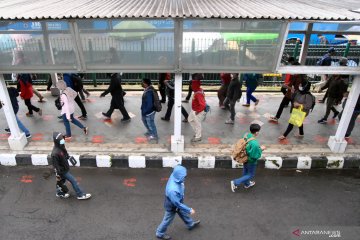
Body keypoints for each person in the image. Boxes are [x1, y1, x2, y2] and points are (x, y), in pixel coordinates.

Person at [156, 165, 200, 240]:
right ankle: (160, 233)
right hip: (172, 206)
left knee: (182, 212)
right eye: (183, 177)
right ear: (179, 176)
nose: (185, 178)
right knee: (167, 220)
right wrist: (189, 210)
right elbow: (177, 204)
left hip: (177, 202)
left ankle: (190, 224)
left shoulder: (174, 175)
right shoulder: (172, 190)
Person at [51, 131, 91, 200]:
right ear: (57, 141)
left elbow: (65, 152)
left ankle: (59, 193)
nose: (63, 140)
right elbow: (56, 166)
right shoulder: (54, 154)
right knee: (73, 181)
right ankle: (80, 195)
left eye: (63, 139)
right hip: (62, 171)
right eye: (62, 139)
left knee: (61, 182)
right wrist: (58, 174)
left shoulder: (61, 146)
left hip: (65, 168)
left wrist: (68, 157)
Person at [231, 124, 265, 192]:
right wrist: (261, 149)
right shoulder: (255, 143)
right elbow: (254, 156)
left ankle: (247, 184)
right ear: (257, 132)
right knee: (250, 174)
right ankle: (235, 182)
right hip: (250, 161)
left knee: (246, 171)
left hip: (244, 158)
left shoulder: (246, 135)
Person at [188, 78, 206, 142]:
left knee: (197, 123)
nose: (191, 86)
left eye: (192, 85)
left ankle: (198, 136)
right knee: (190, 120)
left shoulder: (198, 93)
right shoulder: (198, 90)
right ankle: (197, 133)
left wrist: (198, 111)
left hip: (197, 111)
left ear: (195, 85)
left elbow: (203, 105)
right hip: (194, 109)